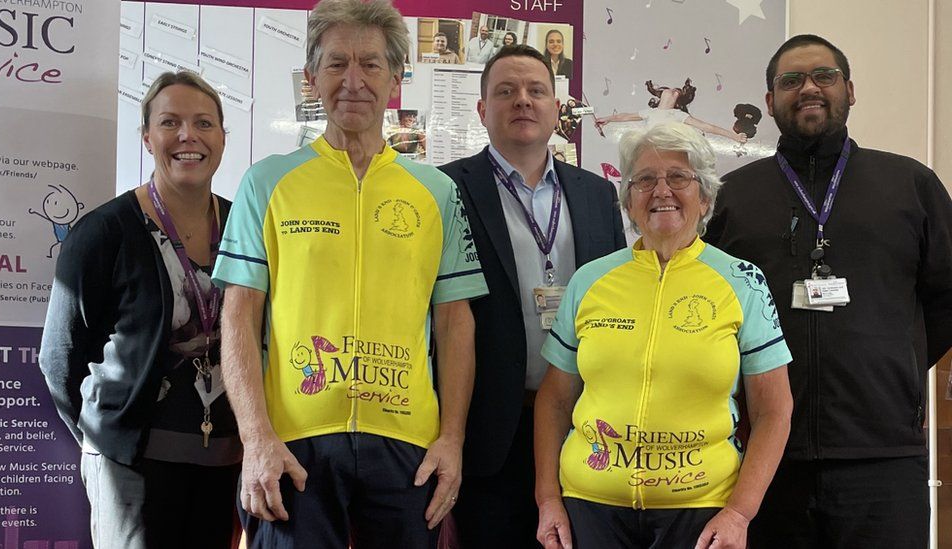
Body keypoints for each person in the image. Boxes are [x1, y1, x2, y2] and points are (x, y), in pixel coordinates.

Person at [212, 0, 488, 547]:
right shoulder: (268, 183)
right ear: (312, 77)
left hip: (406, 443)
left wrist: (452, 438)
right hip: (294, 443)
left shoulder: (436, 192)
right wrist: (256, 436)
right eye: (337, 64)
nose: (353, 80)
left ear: (396, 78)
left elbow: (455, 323)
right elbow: (239, 316)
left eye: (371, 63)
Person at [704, 34, 952, 549]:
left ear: (850, 90)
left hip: (883, 455)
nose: (808, 88)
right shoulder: (732, 198)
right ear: (770, 101)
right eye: (790, 80)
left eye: (824, 75)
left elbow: (947, 297)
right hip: (764, 460)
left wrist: (898, 364)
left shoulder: (910, 185)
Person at [536, 121, 794, 549]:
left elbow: (774, 411)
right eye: (644, 180)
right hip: (590, 507)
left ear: (705, 196)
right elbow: (555, 398)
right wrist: (547, 499)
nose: (661, 191)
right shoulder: (589, 280)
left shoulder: (743, 281)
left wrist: (739, 513)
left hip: (700, 512)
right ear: (628, 200)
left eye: (679, 177)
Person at [39, 70, 239, 548]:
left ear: (222, 137)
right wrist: (107, 434)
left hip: (225, 462)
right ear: (147, 138)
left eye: (204, 123)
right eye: (170, 123)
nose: (188, 136)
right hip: (131, 464)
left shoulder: (242, 227)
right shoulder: (104, 232)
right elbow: (59, 359)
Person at [439, 44, 626, 548]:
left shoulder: (595, 194)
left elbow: (617, 302)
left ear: (555, 108)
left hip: (583, 424)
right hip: (487, 427)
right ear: (482, 111)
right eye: (506, 91)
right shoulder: (445, 188)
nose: (522, 100)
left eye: (536, 90)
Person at [595, 79, 748, 144]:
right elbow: (625, 116)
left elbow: (708, 127)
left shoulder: (678, 115)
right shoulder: (649, 112)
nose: (673, 91)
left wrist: (734, 136)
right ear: (660, 94)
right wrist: (607, 119)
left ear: (677, 101)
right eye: (670, 89)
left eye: (677, 92)